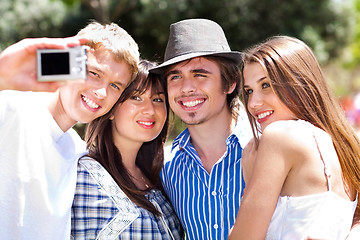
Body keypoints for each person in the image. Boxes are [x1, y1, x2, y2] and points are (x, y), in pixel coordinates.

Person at [0, 21, 139, 240]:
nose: (102, 92)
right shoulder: (12, 108)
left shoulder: (77, 151)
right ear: (68, 63)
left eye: (115, 86)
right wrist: (2, 75)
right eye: (94, 73)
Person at [228, 36, 360, 240]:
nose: (253, 103)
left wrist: (249, 178)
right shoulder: (345, 146)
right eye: (248, 91)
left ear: (300, 83)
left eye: (266, 85)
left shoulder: (280, 136)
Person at [150, 18, 252, 240]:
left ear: (230, 82)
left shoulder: (266, 147)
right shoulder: (166, 168)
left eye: (200, 74)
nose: (186, 88)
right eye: (175, 76)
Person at [71, 59, 184, 239]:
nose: (150, 110)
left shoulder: (162, 177)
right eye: (136, 97)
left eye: (157, 99)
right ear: (112, 109)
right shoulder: (84, 176)